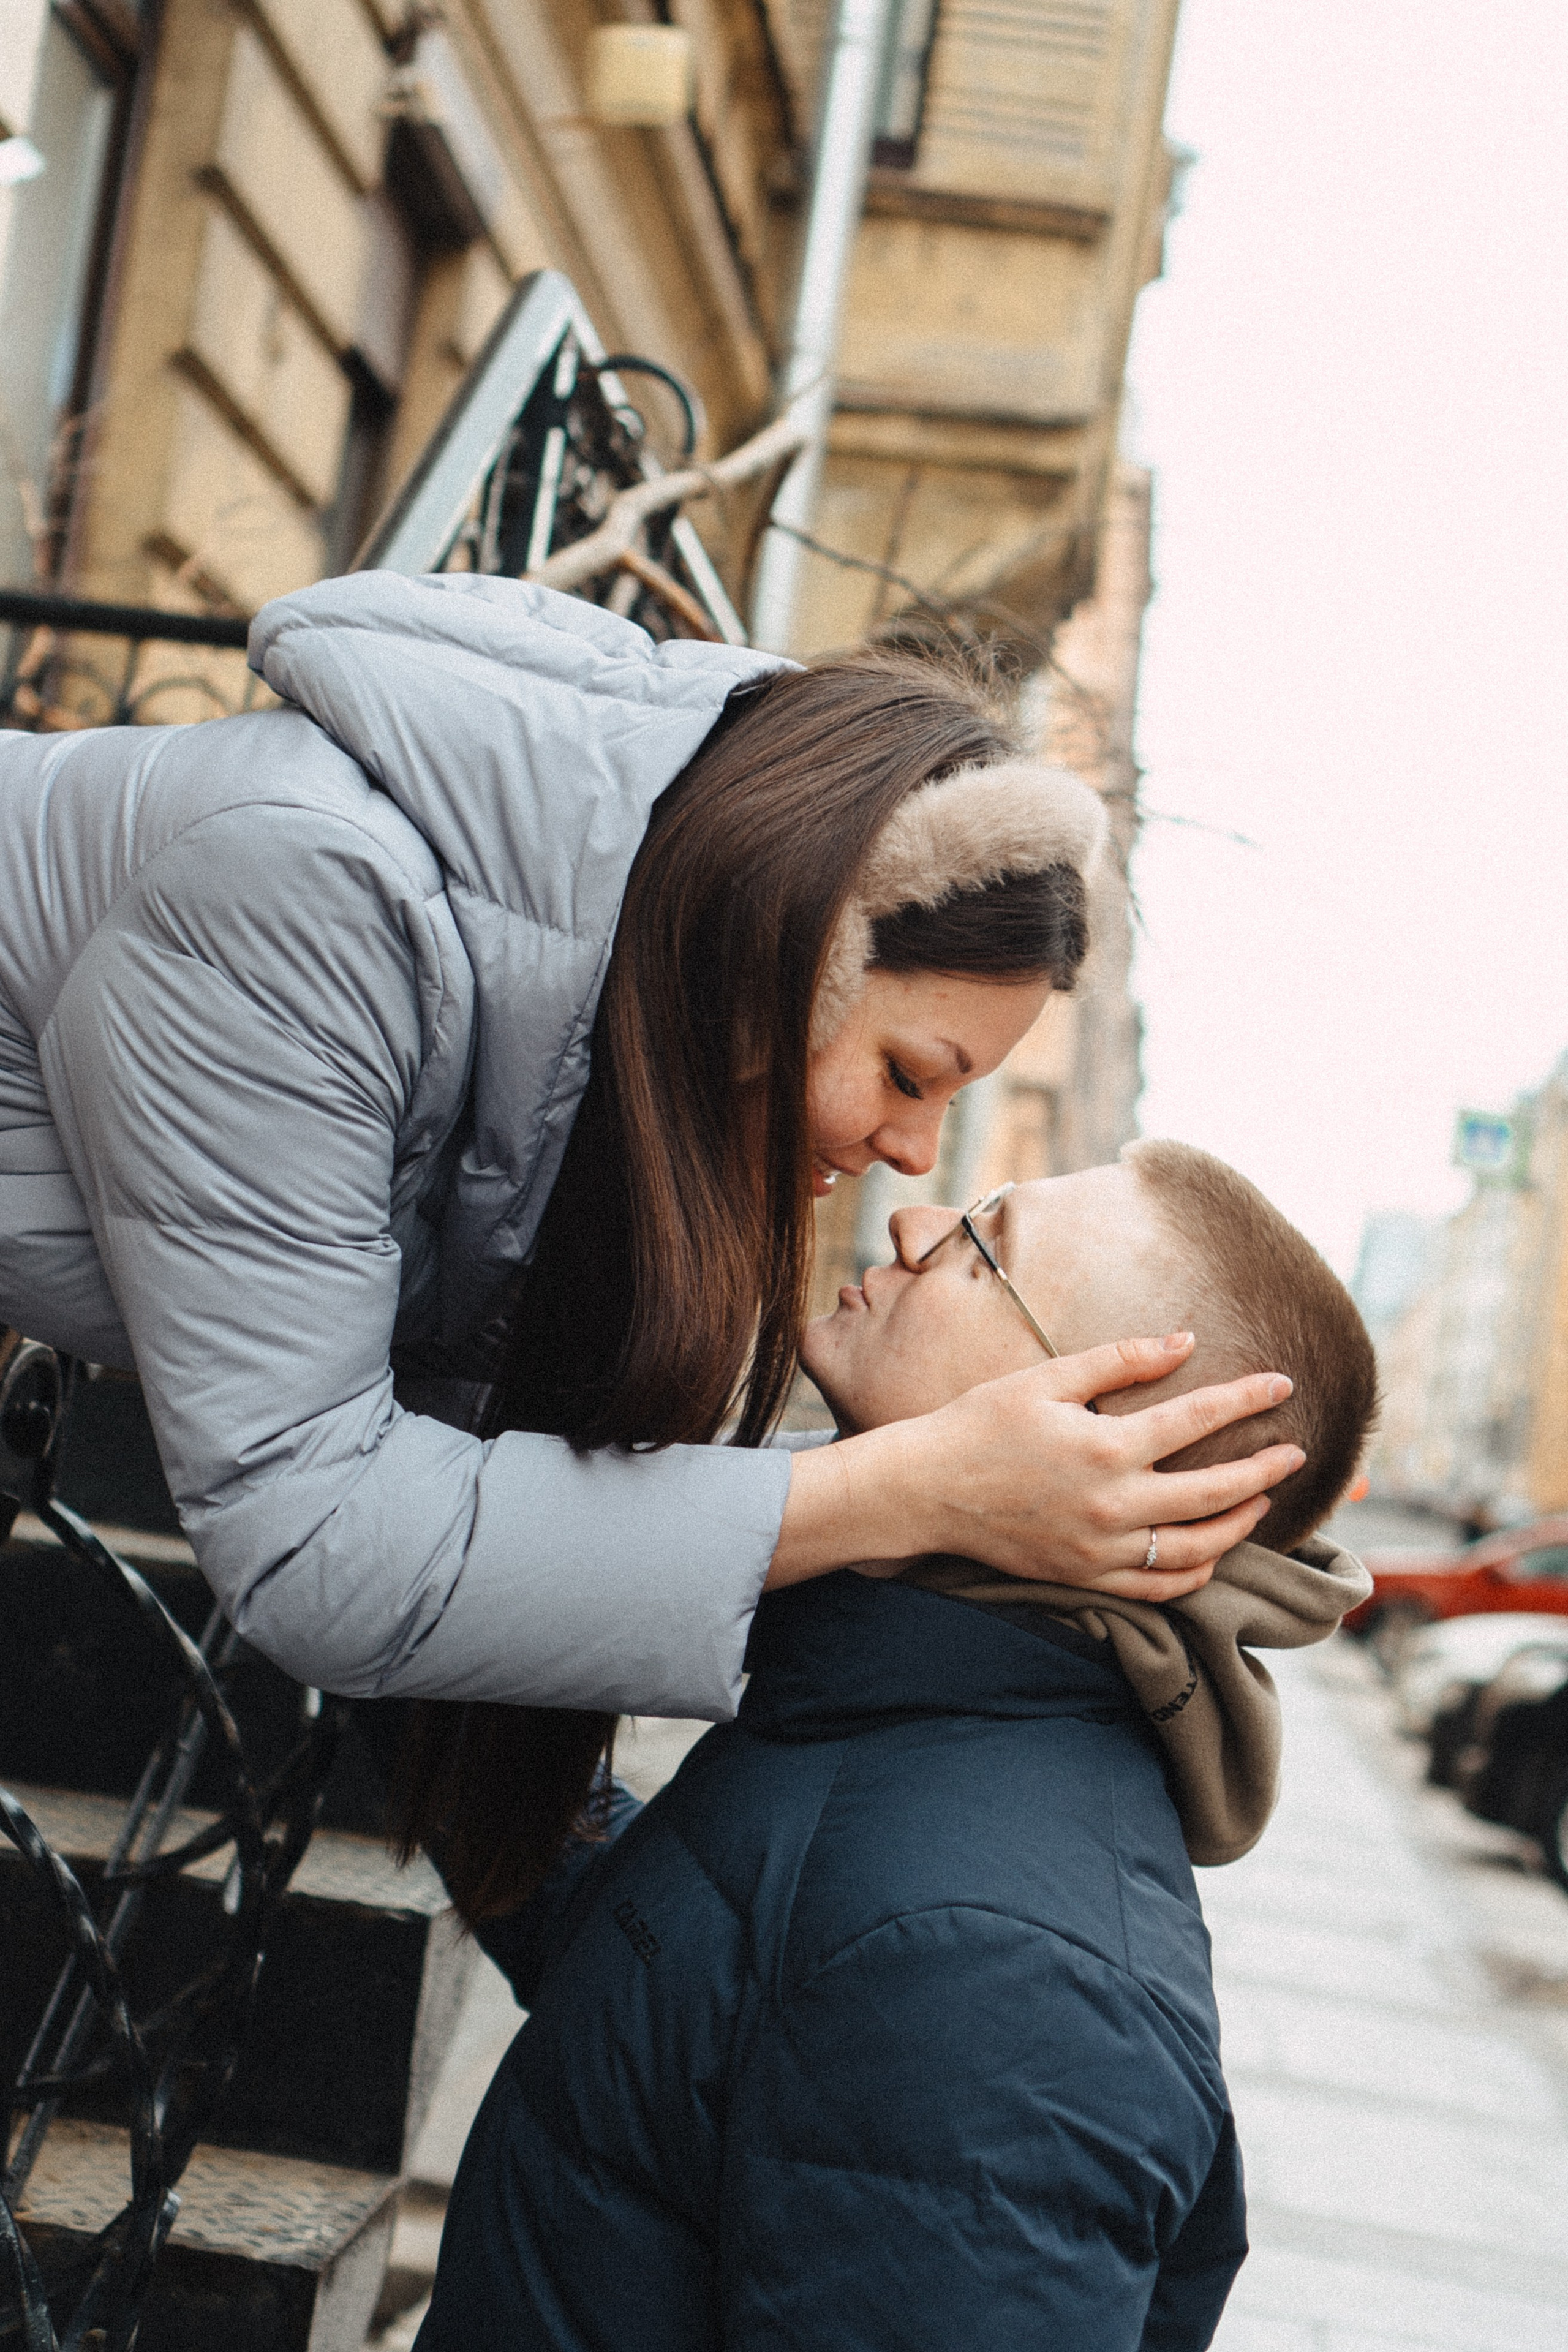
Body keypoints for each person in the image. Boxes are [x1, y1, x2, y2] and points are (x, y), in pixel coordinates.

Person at [0, 575, 1297, 1789]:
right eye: (908, 1073)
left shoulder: (558, 1036)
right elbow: (318, 1543)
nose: (913, 1160)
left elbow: (458, 1491)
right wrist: (904, 1489)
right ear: (787, 946)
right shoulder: (310, 898)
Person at [413, 1143, 1376, 2352]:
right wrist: (408, 1604)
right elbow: (687, 2005)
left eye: (984, 1245)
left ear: (1106, 1450)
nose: (915, 1220)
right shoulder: (900, 1711)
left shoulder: (1001, 1978)